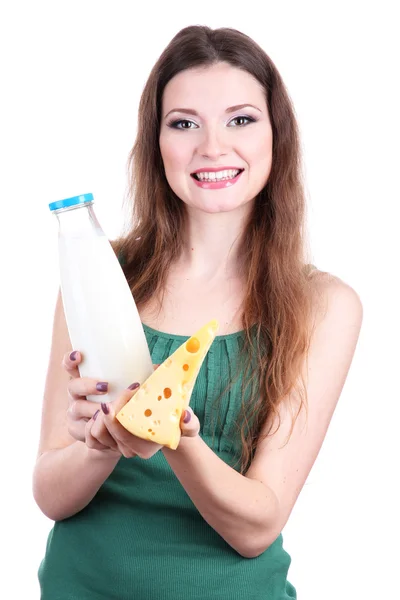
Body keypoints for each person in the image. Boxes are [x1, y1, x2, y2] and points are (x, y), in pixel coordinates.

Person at [34, 25, 363, 600]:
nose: (212, 147)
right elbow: (49, 492)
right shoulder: (97, 277)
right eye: (184, 123)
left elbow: (259, 525)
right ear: (155, 141)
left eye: (240, 119)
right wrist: (97, 446)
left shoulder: (324, 306)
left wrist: (173, 435)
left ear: (276, 136)